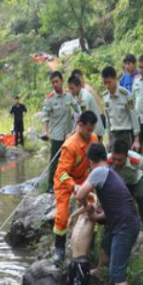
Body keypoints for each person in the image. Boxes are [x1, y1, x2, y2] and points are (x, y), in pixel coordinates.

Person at [74, 142, 141, 285]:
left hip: (125, 226)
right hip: (122, 220)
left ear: (90, 161)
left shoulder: (98, 172)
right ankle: (99, 269)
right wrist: (96, 215)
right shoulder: (109, 171)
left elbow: (80, 196)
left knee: (117, 272)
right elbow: (114, 207)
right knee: (105, 243)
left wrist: (87, 209)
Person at [52, 111, 100, 262]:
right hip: (65, 181)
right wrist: (74, 186)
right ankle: (59, 249)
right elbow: (61, 173)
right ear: (79, 126)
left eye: (92, 129)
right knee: (62, 214)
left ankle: (90, 241)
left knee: (93, 206)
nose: (90, 133)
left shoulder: (93, 138)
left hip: (84, 178)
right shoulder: (69, 146)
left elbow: (97, 160)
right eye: (88, 129)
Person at [108, 139, 143, 231]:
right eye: (114, 159)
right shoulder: (107, 160)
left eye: (120, 160)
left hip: (135, 181)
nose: (117, 162)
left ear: (127, 156)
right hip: (118, 185)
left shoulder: (136, 159)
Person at [42, 71, 81, 192]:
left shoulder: (69, 96)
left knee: (70, 160)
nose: (55, 84)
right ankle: (50, 186)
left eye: (56, 81)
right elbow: (45, 117)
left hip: (69, 135)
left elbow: (78, 109)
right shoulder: (49, 99)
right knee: (54, 161)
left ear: (61, 81)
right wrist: (46, 132)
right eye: (52, 83)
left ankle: (68, 184)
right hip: (56, 136)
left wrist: (78, 125)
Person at [101, 66, 140, 151]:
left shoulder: (126, 95)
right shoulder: (105, 96)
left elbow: (134, 116)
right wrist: (109, 139)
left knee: (126, 160)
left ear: (115, 79)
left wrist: (136, 139)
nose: (107, 85)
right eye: (105, 83)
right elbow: (108, 119)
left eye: (109, 82)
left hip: (125, 134)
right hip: (113, 134)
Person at [68, 75, 105, 140]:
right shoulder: (79, 95)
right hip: (92, 130)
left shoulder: (84, 98)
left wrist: (72, 134)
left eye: (72, 88)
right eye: (69, 89)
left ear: (79, 86)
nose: (70, 91)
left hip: (95, 131)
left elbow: (83, 119)